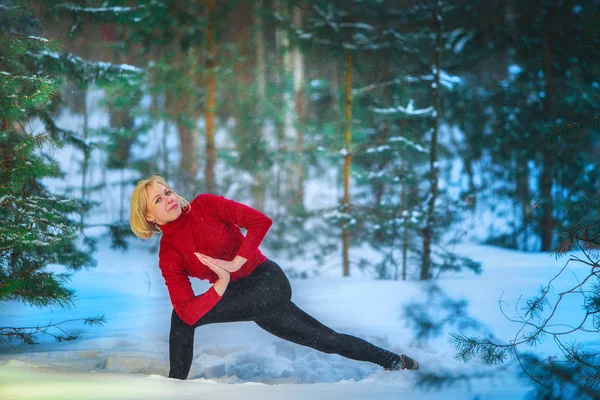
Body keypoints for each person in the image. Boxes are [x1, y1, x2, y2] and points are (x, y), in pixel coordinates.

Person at [129, 175, 419, 380]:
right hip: (238, 295)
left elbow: (259, 221)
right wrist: (220, 284)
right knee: (326, 340)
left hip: (267, 281)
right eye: (158, 198)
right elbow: (186, 311)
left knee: (323, 338)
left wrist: (235, 262)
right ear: (150, 217)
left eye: (167, 191)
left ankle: (174, 387)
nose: (168, 198)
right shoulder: (169, 254)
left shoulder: (205, 205)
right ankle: (395, 361)